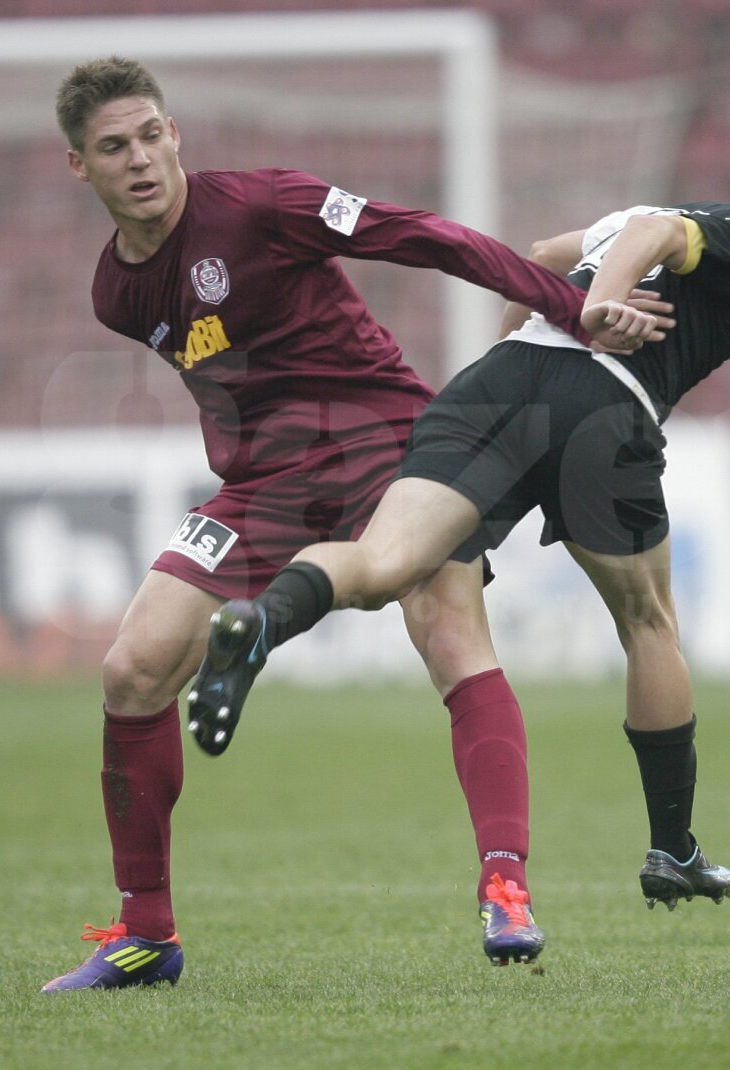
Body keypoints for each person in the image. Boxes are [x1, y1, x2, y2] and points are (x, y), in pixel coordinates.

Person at [41, 56, 664, 992]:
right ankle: (146, 932)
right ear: (79, 167)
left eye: (150, 136)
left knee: (447, 628)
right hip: (260, 485)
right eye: (113, 147)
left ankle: (506, 889)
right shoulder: (116, 293)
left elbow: (426, 238)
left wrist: (572, 307)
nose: (140, 160)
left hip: (393, 444)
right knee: (130, 670)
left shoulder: (261, 205)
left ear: (176, 136)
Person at [186, 155, 730, 942]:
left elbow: (540, 257)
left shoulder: (669, 215)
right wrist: (597, 311)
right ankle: (673, 849)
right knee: (649, 623)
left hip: (494, 387)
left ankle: (261, 622)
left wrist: (532, 341)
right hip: (602, 405)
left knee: (382, 564)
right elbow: (656, 233)